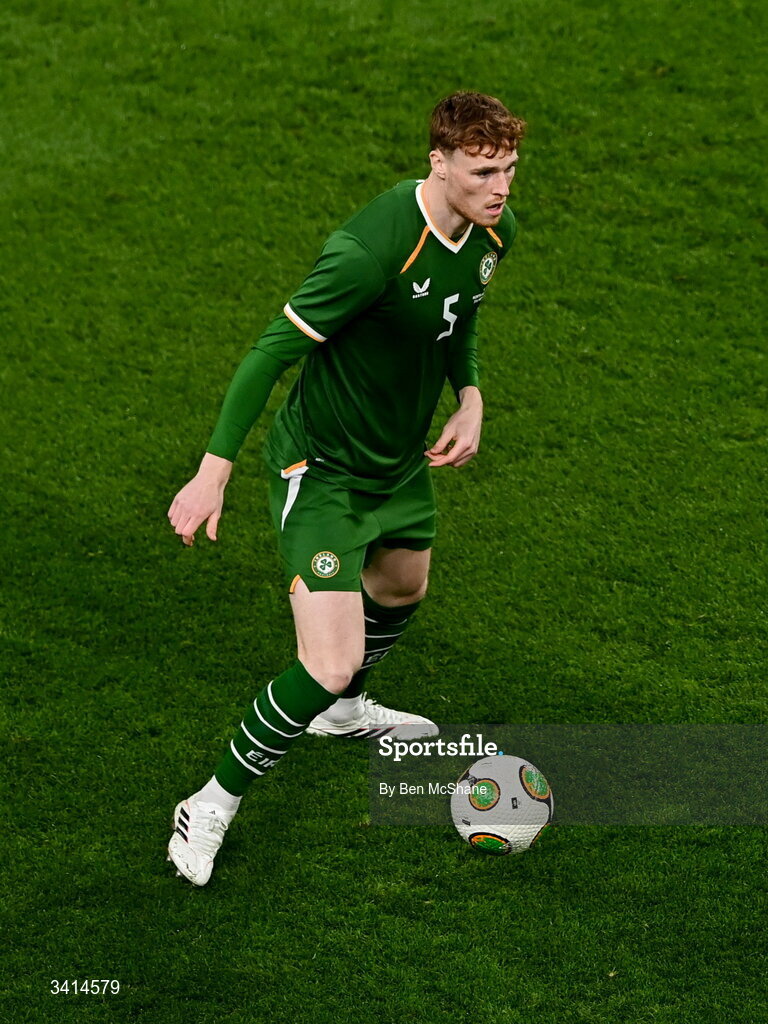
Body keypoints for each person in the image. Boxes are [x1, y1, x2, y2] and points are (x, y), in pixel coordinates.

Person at [166, 91, 526, 885]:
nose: (499, 185)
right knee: (328, 657)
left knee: (402, 584)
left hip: (396, 459)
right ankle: (210, 803)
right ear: (437, 162)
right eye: (481, 170)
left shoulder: (493, 231)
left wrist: (469, 396)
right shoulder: (369, 249)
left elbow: (459, 315)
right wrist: (212, 471)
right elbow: (269, 352)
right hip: (322, 470)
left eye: (507, 167)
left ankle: (342, 713)